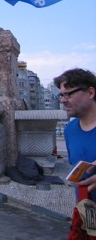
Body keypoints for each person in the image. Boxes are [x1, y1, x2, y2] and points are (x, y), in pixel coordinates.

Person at [53, 68, 96, 202]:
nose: (63, 101)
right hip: (86, 214)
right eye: (61, 95)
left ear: (90, 93)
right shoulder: (70, 130)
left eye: (68, 94)